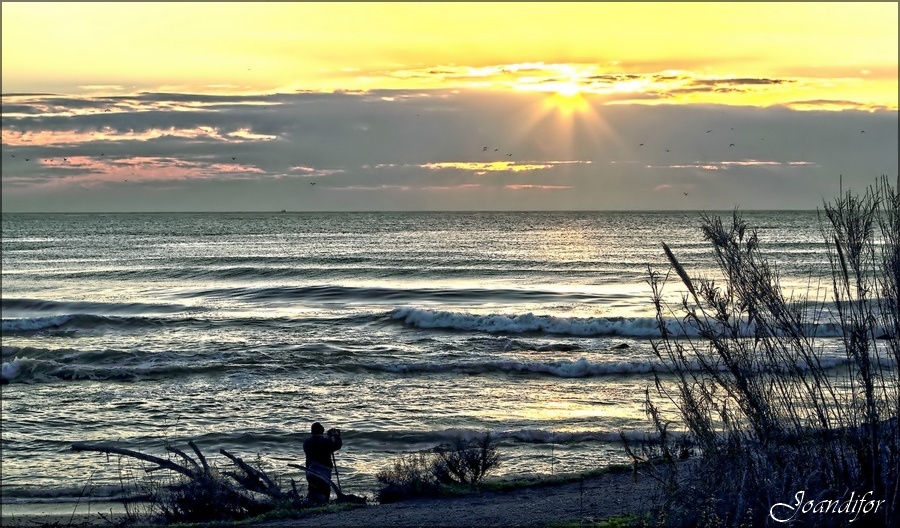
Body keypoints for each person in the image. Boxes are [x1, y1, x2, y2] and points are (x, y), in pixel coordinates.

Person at [303, 422, 342, 504]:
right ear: (322, 430)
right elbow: (338, 445)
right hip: (324, 469)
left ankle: (311, 504)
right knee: (325, 489)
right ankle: (324, 504)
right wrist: (336, 435)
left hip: (310, 469)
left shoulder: (306, 442)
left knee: (312, 488)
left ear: (312, 431)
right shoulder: (326, 442)